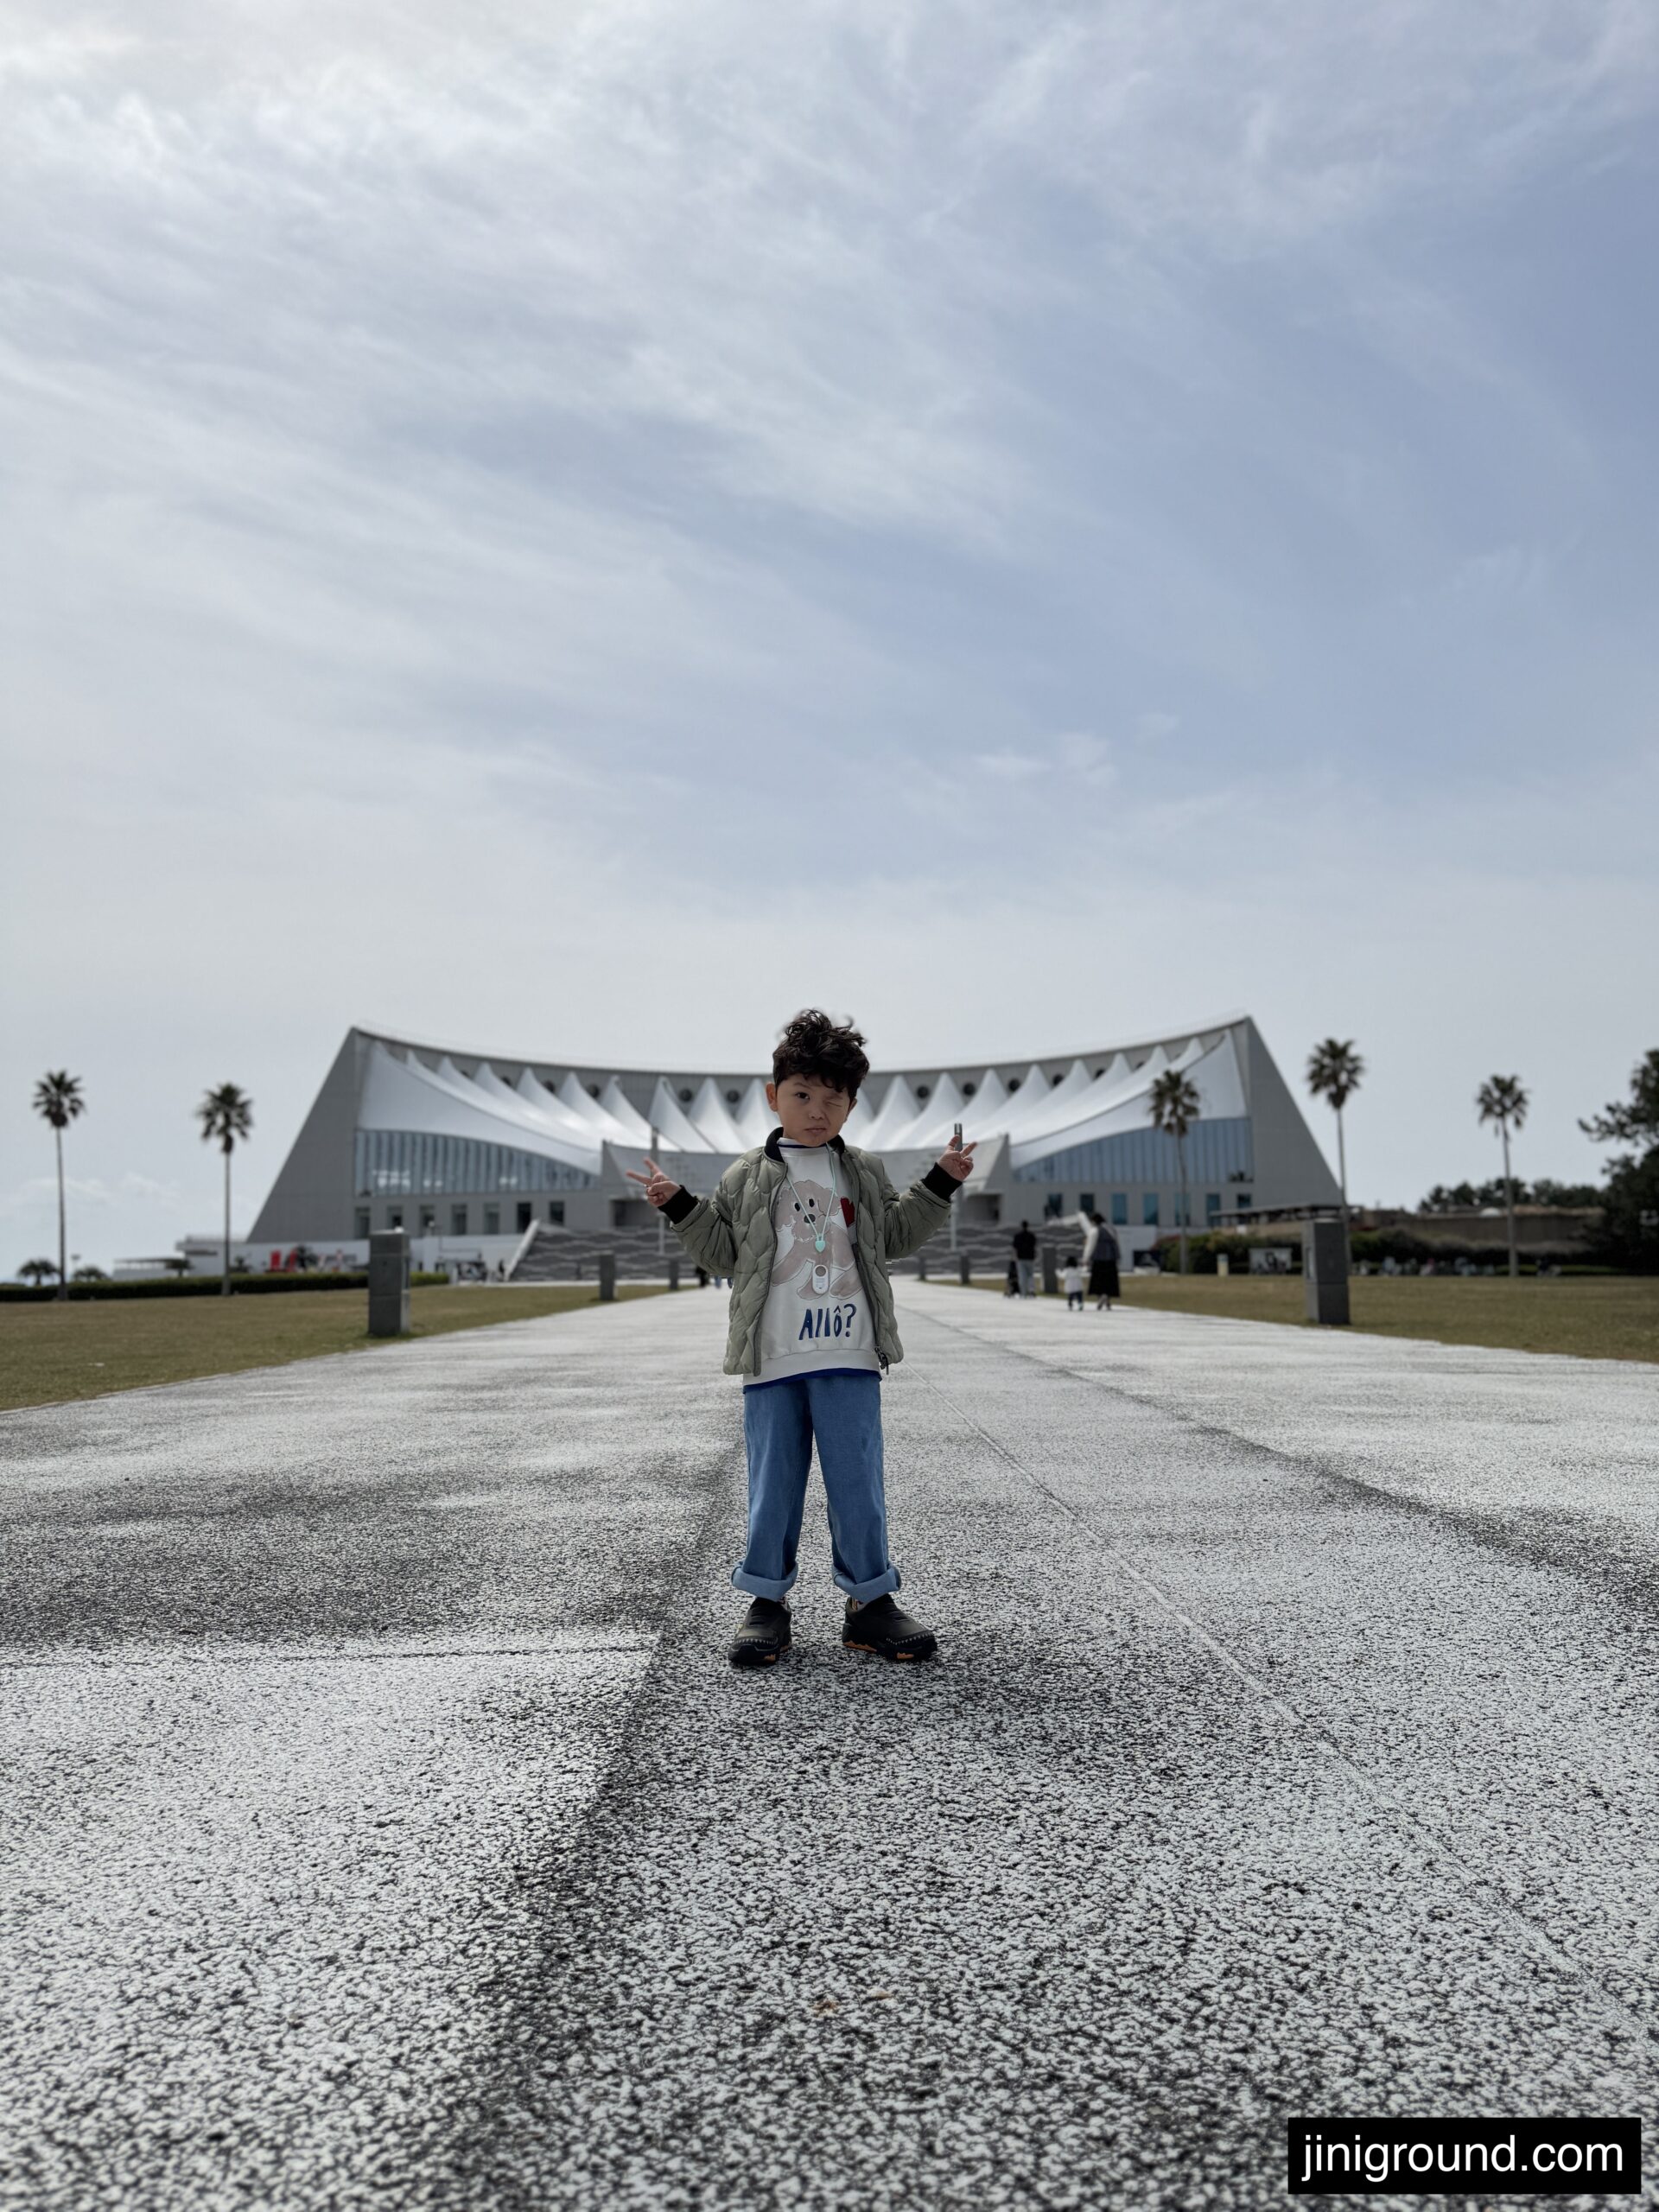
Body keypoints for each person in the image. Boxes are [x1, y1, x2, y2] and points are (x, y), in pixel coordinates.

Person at [628, 1009, 975, 1670]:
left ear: (851, 1105)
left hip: (849, 1352)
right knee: (773, 1486)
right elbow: (727, 1253)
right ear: (774, 1097)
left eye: (834, 1098)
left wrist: (940, 1184)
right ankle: (766, 1603)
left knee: (857, 1484)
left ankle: (870, 1603)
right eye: (803, 1095)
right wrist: (679, 1205)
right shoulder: (744, 1176)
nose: (818, 1111)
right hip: (774, 1356)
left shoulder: (864, 1172)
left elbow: (894, 1236)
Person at [1087, 1211, 1121, 1310]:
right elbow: (1116, 1244)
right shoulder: (1111, 1229)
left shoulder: (1095, 1230)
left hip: (1099, 1258)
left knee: (1098, 1281)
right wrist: (1118, 1256)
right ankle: (1107, 1300)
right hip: (1111, 1258)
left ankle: (1101, 1298)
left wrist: (1086, 1258)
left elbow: (1090, 1246)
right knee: (1110, 1281)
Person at [1011, 1219, 1038, 1298]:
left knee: (1022, 1276)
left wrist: (1014, 1257)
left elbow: (1015, 1248)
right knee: (1030, 1275)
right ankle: (1031, 1290)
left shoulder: (1017, 1236)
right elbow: (1034, 1246)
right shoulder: (1031, 1236)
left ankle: (1023, 1292)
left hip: (1021, 1258)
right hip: (1030, 1258)